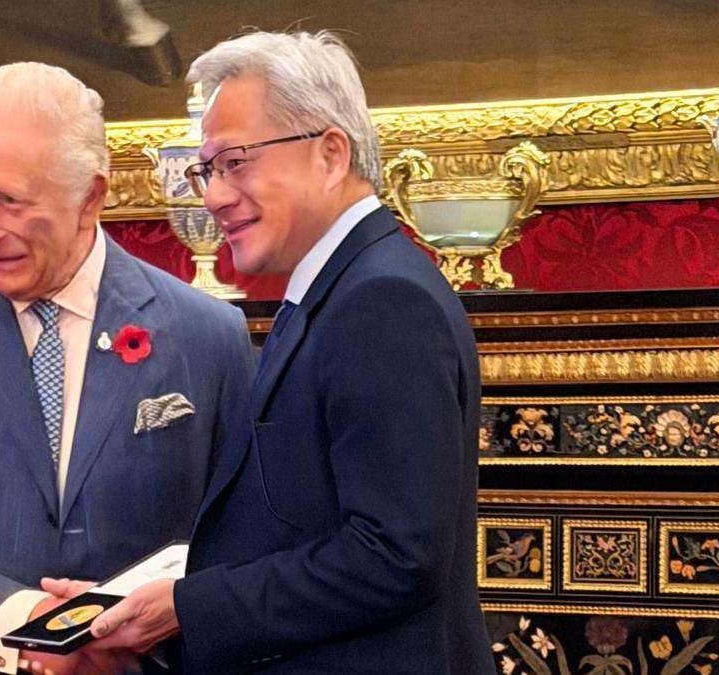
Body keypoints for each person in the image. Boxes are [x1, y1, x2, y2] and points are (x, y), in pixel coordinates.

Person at [49, 31, 495, 674]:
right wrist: (137, 608)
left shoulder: (383, 301)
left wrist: (187, 609)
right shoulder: (343, 289)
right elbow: (297, 526)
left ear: (330, 154)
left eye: (234, 162)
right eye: (209, 170)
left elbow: (394, 557)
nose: (213, 196)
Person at [0, 61, 253, 675]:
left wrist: (128, 637)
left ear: (90, 195)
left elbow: (241, 538)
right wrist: (33, 629)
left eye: (10, 200)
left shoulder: (207, 336)